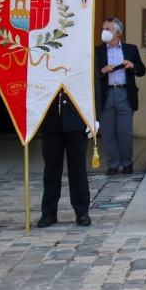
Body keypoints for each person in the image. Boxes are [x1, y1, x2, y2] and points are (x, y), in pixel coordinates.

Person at [94, 17, 146, 175]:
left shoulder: (130, 49)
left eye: (107, 29)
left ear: (117, 32)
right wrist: (102, 71)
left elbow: (142, 70)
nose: (104, 32)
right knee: (108, 133)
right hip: (106, 94)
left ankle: (127, 163)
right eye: (103, 29)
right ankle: (113, 164)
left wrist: (132, 66)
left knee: (125, 132)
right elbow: (90, 73)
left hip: (125, 94)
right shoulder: (97, 51)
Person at [36, 89, 93, 228]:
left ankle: (82, 211)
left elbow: (92, 87)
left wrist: (94, 118)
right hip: (50, 120)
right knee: (51, 169)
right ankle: (48, 212)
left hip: (77, 119)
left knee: (78, 168)